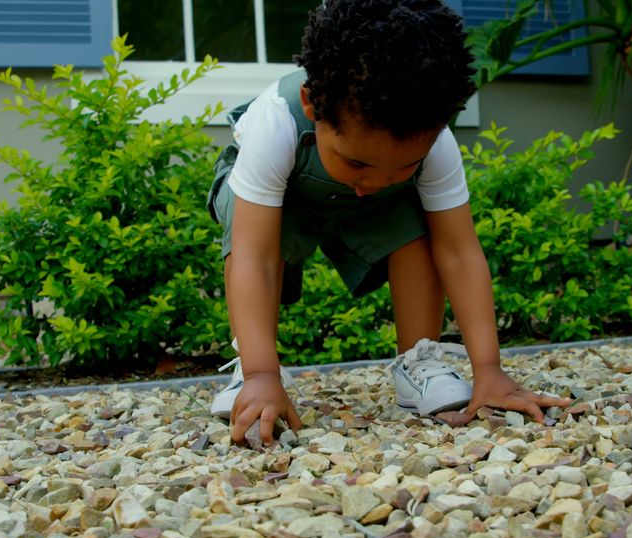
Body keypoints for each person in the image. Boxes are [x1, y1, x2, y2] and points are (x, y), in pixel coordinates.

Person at [207, 0, 571, 446]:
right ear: (311, 106)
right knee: (255, 232)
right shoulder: (276, 123)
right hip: (282, 202)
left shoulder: (434, 143)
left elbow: (458, 251)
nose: (373, 182)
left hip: (385, 210)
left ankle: (420, 360)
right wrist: (263, 373)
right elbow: (254, 256)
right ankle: (252, 368)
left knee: (419, 220)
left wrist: (490, 370)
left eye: (402, 166)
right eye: (356, 161)